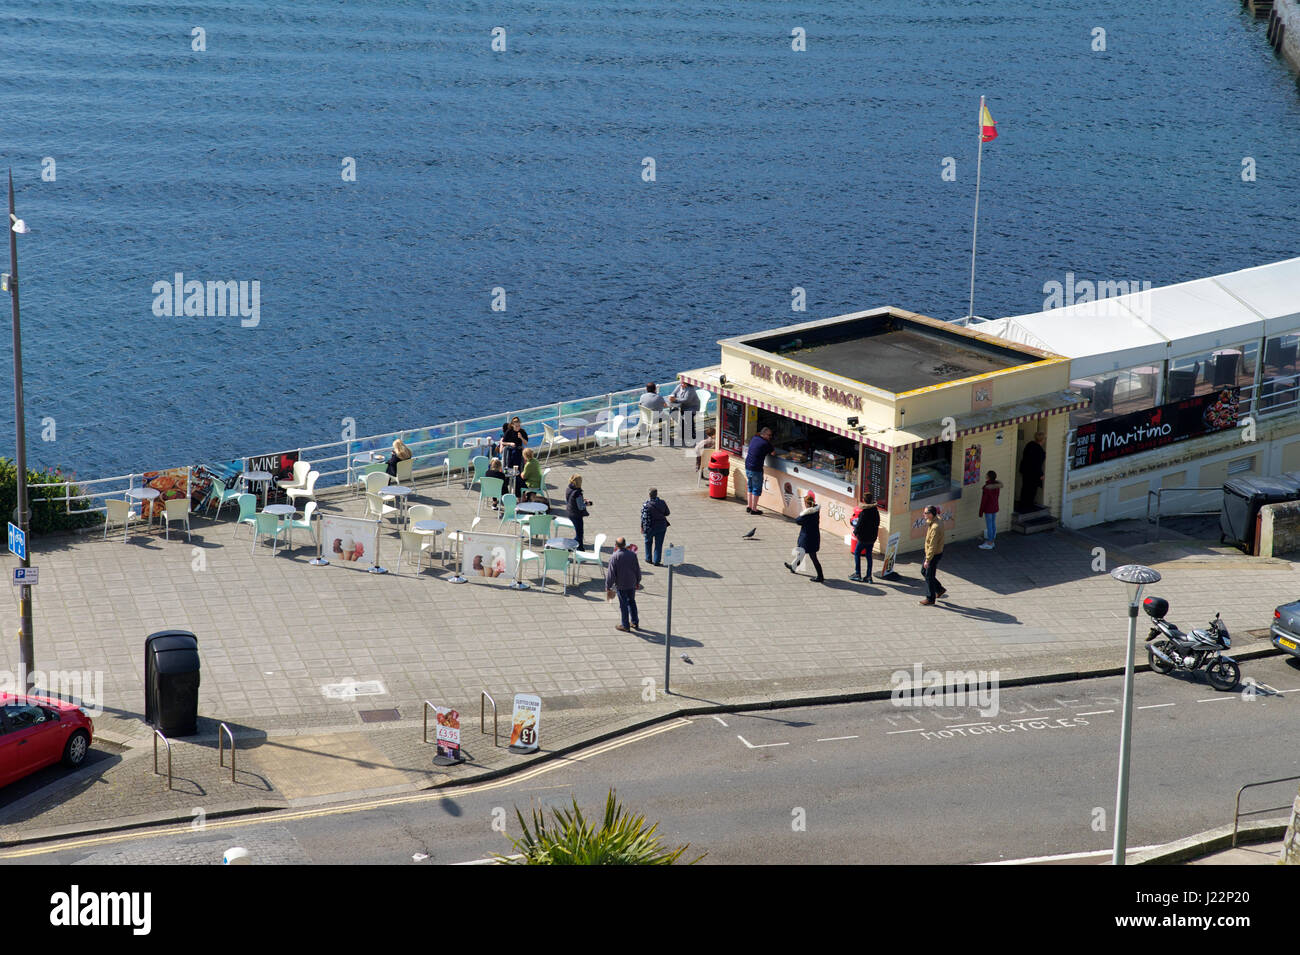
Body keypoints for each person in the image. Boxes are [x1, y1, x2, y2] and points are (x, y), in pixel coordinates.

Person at [605, 536, 643, 632]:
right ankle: (634, 622)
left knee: (623, 605)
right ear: (625, 544)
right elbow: (637, 569)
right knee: (632, 602)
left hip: (621, 585)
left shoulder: (615, 557)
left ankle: (625, 625)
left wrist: (608, 586)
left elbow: (611, 574)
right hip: (632, 583)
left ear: (616, 545)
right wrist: (638, 581)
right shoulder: (632, 555)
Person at [784, 493, 824, 582]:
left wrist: (803, 513)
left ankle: (820, 576)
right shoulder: (816, 511)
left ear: (806, 504)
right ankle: (793, 567)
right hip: (813, 537)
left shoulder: (807, 514)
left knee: (813, 557)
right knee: (802, 553)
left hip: (807, 538)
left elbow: (797, 520)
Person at [920, 505, 947, 605]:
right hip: (931, 553)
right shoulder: (935, 520)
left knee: (929, 576)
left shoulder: (935, 527)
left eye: (926, 513)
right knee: (924, 571)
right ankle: (939, 589)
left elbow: (932, 545)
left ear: (931, 514)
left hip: (933, 554)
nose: (924, 515)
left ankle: (930, 598)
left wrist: (928, 559)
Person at [850, 495, 880, 582]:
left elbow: (859, 525)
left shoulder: (864, 512)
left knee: (857, 553)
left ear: (864, 500)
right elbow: (877, 523)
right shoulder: (875, 511)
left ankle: (857, 573)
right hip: (872, 537)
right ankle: (869, 576)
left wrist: (855, 532)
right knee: (869, 555)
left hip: (863, 538)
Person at [744, 427, 774, 515]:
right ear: (763, 434)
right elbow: (773, 453)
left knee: (750, 486)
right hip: (756, 469)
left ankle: (749, 506)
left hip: (748, 466)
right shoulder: (765, 443)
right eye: (769, 435)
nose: (770, 437)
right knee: (756, 489)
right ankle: (754, 509)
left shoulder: (754, 438)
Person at [640, 488, 671, 566]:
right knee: (658, 544)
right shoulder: (662, 502)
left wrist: (642, 527)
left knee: (648, 542)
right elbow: (667, 513)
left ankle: (648, 558)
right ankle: (657, 561)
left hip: (650, 527)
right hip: (661, 526)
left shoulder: (646, 505)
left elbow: (643, 518)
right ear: (657, 494)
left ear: (649, 495)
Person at [1018, 431, 1046, 511]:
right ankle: (1028, 507)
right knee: (1032, 490)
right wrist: (1041, 474)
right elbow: (1037, 464)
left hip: (1025, 471)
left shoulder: (1029, 445)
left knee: (1025, 488)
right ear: (1042, 440)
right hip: (1033, 473)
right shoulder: (1040, 452)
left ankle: (1022, 505)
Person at [565, 474, 591, 550]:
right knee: (579, 533)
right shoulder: (577, 493)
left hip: (570, 512)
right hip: (576, 514)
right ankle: (575, 547)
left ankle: (578, 546)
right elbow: (580, 507)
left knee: (578, 531)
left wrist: (582, 500)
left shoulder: (569, 488)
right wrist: (587, 503)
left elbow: (570, 500)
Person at [978, 471, 1003, 550]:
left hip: (988, 508)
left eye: (986, 475)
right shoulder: (997, 486)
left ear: (988, 477)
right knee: (992, 524)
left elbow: (984, 501)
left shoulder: (987, 488)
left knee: (989, 525)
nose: (985, 475)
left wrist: (981, 511)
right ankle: (992, 540)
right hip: (994, 507)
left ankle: (989, 542)